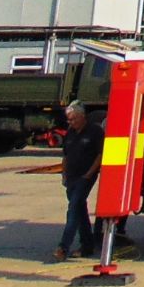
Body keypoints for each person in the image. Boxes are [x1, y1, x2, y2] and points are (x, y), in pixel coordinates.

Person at [52, 102, 103, 262]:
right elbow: (66, 155)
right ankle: (87, 245)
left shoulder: (95, 131)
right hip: (71, 178)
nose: (71, 122)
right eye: (69, 120)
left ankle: (63, 247)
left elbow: (100, 154)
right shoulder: (70, 133)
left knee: (73, 209)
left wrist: (89, 174)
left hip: (84, 177)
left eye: (73, 119)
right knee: (80, 209)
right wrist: (64, 175)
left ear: (82, 117)